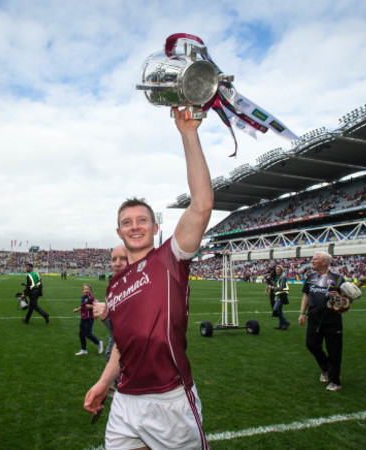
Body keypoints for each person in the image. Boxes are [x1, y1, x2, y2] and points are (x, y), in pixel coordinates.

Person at [84, 107, 213, 449]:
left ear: (155, 228)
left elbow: (201, 206)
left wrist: (188, 133)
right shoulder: (114, 285)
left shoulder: (169, 258)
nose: (135, 226)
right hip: (125, 400)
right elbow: (122, 347)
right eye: (127, 223)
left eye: (142, 220)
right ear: (119, 231)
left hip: (168, 399)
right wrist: (102, 383)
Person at [298, 251, 346, 391]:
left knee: (334, 351)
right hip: (313, 318)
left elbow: (347, 300)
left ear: (324, 262)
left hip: (332, 319)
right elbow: (306, 295)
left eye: (315, 259)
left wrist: (337, 296)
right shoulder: (310, 277)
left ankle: (334, 381)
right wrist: (302, 313)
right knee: (311, 345)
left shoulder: (338, 279)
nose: (312, 261)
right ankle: (326, 369)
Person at [73, 284, 103, 356]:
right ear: (83, 290)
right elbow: (83, 305)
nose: (86, 290)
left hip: (89, 318)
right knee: (81, 334)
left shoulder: (91, 298)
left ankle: (99, 343)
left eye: (88, 289)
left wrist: (92, 306)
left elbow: (98, 305)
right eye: (85, 289)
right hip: (83, 318)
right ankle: (83, 350)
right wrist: (77, 309)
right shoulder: (83, 297)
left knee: (88, 334)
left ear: (90, 291)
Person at [272, 265, 290, 330]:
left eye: (278, 270)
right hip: (278, 295)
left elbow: (281, 287)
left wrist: (274, 288)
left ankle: (285, 322)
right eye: (276, 270)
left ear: (281, 270)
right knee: (279, 310)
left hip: (282, 295)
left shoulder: (282, 277)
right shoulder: (279, 277)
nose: (277, 271)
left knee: (275, 310)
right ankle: (281, 325)